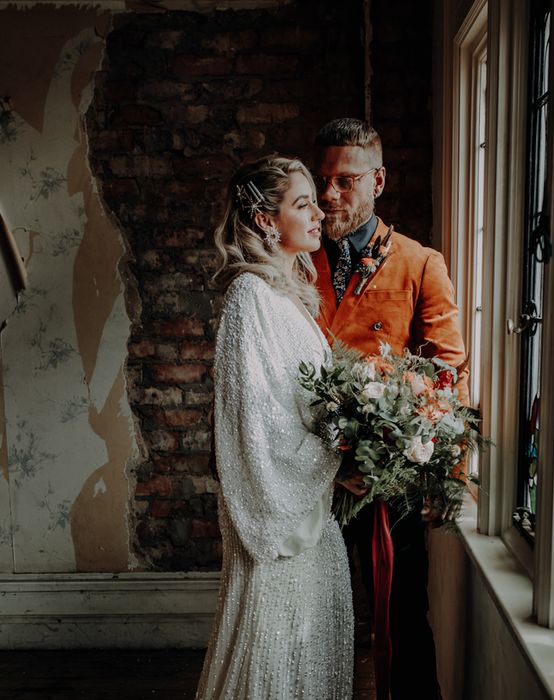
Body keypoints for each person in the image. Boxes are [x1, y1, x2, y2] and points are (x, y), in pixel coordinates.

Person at [311, 118, 470, 700]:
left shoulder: (421, 262)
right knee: (316, 610)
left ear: (377, 180)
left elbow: (448, 373)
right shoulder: (299, 261)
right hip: (308, 468)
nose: (330, 195)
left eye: (345, 181)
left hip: (388, 478)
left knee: (399, 615)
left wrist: (444, 474)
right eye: (324, 180)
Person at [194, 155, 353, 700]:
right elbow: (255, 425)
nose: (320, 213)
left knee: (303, 652)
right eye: (303, 203)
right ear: (266, 219)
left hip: (310, 505)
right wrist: (338, 449)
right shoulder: (250, 299)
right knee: (271, 651)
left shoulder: (287, 296)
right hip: (278, 515)